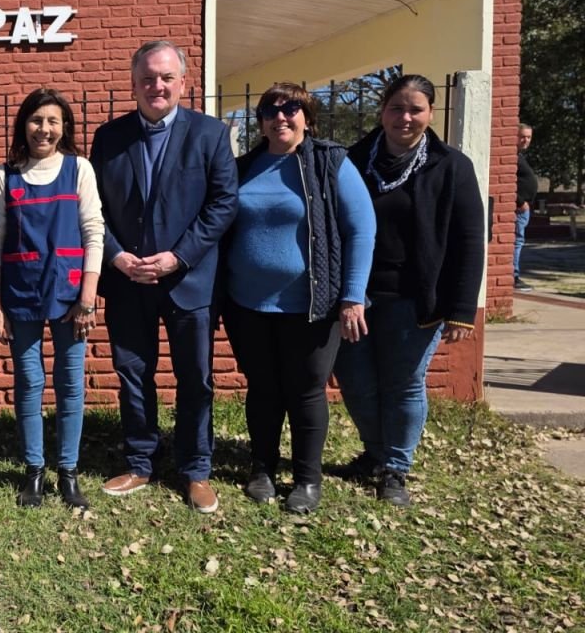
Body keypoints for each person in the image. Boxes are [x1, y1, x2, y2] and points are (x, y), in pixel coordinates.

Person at [90, 40, 238, 513]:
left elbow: (223, 203)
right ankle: (140, 463)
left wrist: (178, 257)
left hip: (188, 281)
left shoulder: (210, 134)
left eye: (166, 77)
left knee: (195, 378)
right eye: (148, 78)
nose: (157, 85)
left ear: (183, 82)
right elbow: (92, 208)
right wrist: (116, 256)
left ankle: (196, 470)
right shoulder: (109, 138)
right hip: (127, 280)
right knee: (133, 374)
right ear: (133, 84)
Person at [222, 83, 375, 514]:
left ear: (308, 117)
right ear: (260, 122)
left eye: (291, 108)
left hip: (312, 305)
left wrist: (352, 296)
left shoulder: (330, 162)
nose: (280, 117)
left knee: (306, 391)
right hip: (247, 304)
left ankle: (308, 479)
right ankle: (262, 469)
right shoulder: (244, 167)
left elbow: (361, 230)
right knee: (263, 388)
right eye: (270, 111)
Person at [334, 74, 485, 507]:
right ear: (382, 111)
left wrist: (461, 310)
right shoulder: (352, 160)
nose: (405, 117)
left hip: (415, 299)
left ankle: (395, 468)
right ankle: (376, 453)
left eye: (415, 109)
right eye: (396, 108)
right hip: (356, 295)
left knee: (402, 383)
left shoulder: (451, 166)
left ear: (431, 114)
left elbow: (469, 240)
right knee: (356, 382)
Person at [0, 88, 104, 510]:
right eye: (36, 120)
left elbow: (94, 232)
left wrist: (88, 296)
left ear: (64, 127)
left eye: (53, 120)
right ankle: (34, 470)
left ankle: (68, 471)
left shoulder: (79, 169)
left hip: (71, 294)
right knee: (28, 381)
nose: (44, 128)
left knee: (70, 383)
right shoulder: (5, 177)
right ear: (24, 125)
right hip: (20, 293)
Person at [514, 124, 538, 292]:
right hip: (519, 208)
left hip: (523, 209)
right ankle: (513, 276)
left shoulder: (519, 156)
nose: (526, 140)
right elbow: (509, 182)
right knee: (517, 241)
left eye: (529, 137)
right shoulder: (512, 157)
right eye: (522, 136)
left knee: (519, 241)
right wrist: (520, 202)